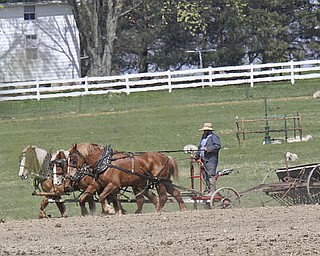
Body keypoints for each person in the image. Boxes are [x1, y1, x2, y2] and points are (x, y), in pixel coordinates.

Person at [195, 122, 221, 193]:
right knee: (204, 176)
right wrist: (196, 155)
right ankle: (207, 189)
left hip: (211, 161)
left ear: (209, 130)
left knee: (210, 175)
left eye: (206, 130)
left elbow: (217, 146)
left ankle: (212, 191)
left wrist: (208, 149)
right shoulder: (203, 137)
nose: (204, 131)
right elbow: (200, 147)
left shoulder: (214, 137)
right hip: (203, 160)